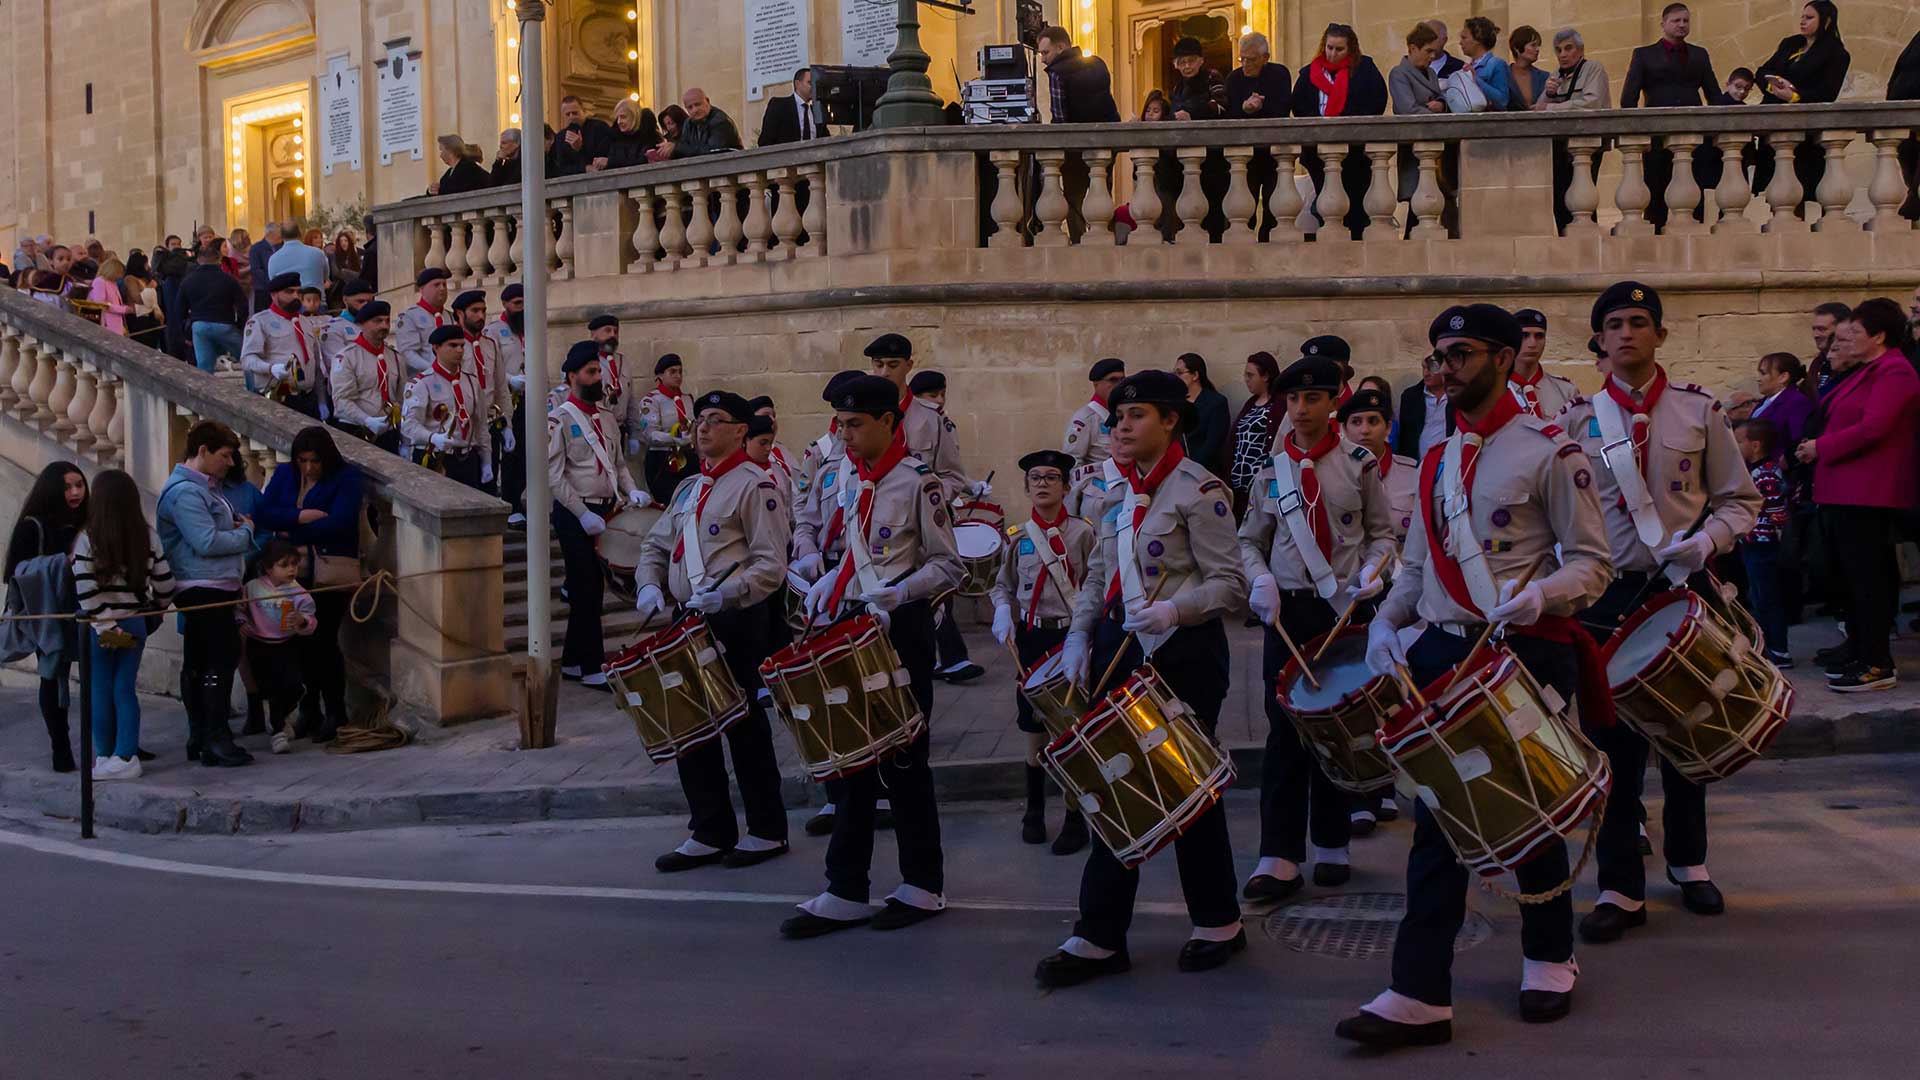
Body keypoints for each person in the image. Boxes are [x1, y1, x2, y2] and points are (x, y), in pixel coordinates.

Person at [1338, 304, 1613, 1048]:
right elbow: (1418, 566)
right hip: (1443, 648)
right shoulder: (1435, 458)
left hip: (1523, 648)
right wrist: (1388, 621)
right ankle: (1420, 991)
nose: (1445, 368)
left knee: (1527, 809)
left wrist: (1543, 595)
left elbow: (1594, 563)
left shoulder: (1549, 450)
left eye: (1460, 353)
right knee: (1440, 817)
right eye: (1438, 355)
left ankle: (1549, 954)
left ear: (1501, 356)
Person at [1556, 282, 1759, 948]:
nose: (1626, 333)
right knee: (1611, 744)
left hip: (1682, 582)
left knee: (1688, 729)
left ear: (1660, 335)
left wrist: (1710, 541)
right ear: (1599, 340)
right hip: (1605, 597)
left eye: (1639, 322)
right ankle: (1619, 886)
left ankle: (1689, 861)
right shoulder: (1574, 423)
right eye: (1614, 324)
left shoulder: (1699, 411)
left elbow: (1739, 500)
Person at [1032, 369, 1248, 987]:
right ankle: (1100, 934)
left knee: (1190, 788)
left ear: (1170, 421)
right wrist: (1079, 634)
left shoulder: (1198, 490)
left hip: (1183, 653)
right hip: (1120, 651)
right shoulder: (1114, 493)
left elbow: (1230, 584)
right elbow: (1099, 576)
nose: (1120, 427)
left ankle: (1218, 921)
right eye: (1117, 418)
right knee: (1112, 784)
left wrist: (1176, 610)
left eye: (1136, 416)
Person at [780, 374, 963, 939]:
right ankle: (846, 888)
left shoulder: (918, 483)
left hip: (900, 628)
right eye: (840, 423)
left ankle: (922, 884)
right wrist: (830, 577)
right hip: (853, 624)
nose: (845, 434)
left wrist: (899, 593)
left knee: (905, 761)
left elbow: (949, 565)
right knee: (850, 761)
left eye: (856, 423)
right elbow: (853, 549)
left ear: (888, 421)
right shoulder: (849, 478)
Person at [1237, 355, 1397, 902]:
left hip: (1343, 609)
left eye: (1312, 398)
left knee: (1338, 727)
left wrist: (1375, 573)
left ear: (1334, 402)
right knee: (1284, 731)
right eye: (1292, 399)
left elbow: (1382, 534)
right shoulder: (1271, 470)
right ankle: (1278, 855)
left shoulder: (1359, 464)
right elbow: (1248, 542)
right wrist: (1260, 580)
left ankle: (1332, 842)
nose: (1300, 409)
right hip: (1288, 612)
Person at [635, 389, 792, 872]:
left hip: (736, 617)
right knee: (689, 725)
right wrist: (648, 584)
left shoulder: (755, 486)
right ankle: (709, 829)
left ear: (741, 431)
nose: (702, 427)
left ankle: (766, 829)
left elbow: (771, 564)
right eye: (700, 419)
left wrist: (729, 593)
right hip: (689, 616)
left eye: (716, 419)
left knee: (743, 724)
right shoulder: (689, 487)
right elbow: (655, 545)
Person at [1797, 298, 1920, 691]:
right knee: (1850, 578)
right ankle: (1860, 647)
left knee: (1869, 580)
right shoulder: (1867, 370)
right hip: (1845, 490)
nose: (1846, 340)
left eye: (1855, 333)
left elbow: (1874, 427)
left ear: (1878, 336)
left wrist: (1821, 447)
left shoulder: (1895, 371)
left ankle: (1877, 662)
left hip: (1867, 492)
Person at [990, 449, 1095, 852]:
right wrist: (1003, 610)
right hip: (1033, 638)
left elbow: (1097, 583)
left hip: (1071, 637)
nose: (1043, 484)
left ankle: (1075, 817)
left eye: (1052, 477)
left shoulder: (1083, 534)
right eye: (1035, 478)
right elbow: (1003, 585)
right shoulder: (1018, 538)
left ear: (1066, 488)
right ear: (1026, 487)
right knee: (1033, 727)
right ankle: (1033, 810)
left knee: (1071, 727)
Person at [157, 420, 257, 768]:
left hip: (211, 584)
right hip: (202, 585)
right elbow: (206, 541)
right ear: (203, 451)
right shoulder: (187, 492)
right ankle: (214, 736)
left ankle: (203, 736)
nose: (230, 463)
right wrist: (246, 534)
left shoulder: (204, 488)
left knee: (202, 659)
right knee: (219, 658)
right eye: (224, 455)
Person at [257, 426, 365, 743]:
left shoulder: (346, 478)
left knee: (324, 641)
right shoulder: (285, 474)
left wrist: (291, 530)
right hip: (291, 574)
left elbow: (341, 521)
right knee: (299, 644)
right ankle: (309, 709)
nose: (308, 468)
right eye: (302, 460)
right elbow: (264, 512)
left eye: (314, 461)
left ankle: (335, 711)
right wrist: (301, 517)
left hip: (328, 571)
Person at [550, 342, 648, 690]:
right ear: (572, 376)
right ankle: (592, 665)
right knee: (586, 587)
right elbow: (554, 476)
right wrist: (581, 513)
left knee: (589, 587)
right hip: (574, 512)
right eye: (590, 372)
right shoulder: (559, 419)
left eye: (599, 371)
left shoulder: (606, 417)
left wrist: (631, 490)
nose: (598, 378)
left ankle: (573, 661)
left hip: (605, 509)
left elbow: (618, 465)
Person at [71, 469, 173, 781]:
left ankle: (105, 755)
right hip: (135, 622)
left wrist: (106, 623)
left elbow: (85, 589)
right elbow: (166, 584)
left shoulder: (87, 538)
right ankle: (126, 754)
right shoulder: (148, 536)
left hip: (98, 626)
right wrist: (155, 610)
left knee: (99, 689)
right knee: (124, 688)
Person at [5, 462, 89, 772]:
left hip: (86, 607)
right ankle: (60, 747)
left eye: (79, 485)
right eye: (67, 487)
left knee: (101, 676)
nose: (76, 492)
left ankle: (119, 745)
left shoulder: (87, 522)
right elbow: (16, 572)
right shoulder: (33, 525)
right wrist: (62, 562)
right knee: (53, 676)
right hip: (48, 612)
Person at [1620, 4, 1724, 230]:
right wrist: (1638, 133)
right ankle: (1655, 238)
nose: (1682, 25)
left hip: (1694, 135)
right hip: (1657, 136)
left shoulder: (1699, 54)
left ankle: (1693, 239)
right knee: (1656, 192)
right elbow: (1629, 98)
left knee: (1693, 193)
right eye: (1676, 20)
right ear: (1663, 24)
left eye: (1685, 20)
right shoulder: (1644, 54)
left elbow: (1714, 95)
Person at [1750, 1, 1851, 215]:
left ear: (1826, 21)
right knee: (1775, 188)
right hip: (1775, 123)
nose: (1803, 21)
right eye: (1802, 17)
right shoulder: (1791, 44)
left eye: (1809, 17)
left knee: (1800, 187)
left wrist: (1795, 96)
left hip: (1805, 130)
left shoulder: (1836, 53)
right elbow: (1762, 71)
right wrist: (1774, 85)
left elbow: (1827, 92)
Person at [1291, 24, 1389, 238]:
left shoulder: (1365, 70)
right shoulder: (1309, 73)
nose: (1333, 54)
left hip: (1355, 152)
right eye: (1329, 48)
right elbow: (1298, 106)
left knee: (1356, 206)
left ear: (1350, 49)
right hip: (1319, 153)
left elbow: (1377, 101)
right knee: (1326, 205)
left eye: (1339, 49)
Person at [864, 333, 985, 505]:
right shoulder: (861, 417)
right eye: (879, 365)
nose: (885, 373)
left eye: (893, 365)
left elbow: (953, 476)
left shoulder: (932, 418)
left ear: (908, 366)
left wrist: (928, 501)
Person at [235, 538, 317, 755]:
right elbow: (239, 609)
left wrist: (301, 621)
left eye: (294, 564)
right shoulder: (252, 588)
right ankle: (278, 732)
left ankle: (281, 716)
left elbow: (311, 620)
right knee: (271, 688)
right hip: (259, 645)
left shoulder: (300, 593)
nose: (291, 570)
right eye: (284, 565)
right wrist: (242, 622)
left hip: (286, 645)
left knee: (295, 686)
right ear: (268, 567)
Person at [403, 326, 491, 490]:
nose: (459, 350)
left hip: (467, 457)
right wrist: (432, 437)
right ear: (436, 348)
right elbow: (408, 425)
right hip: (436, 456)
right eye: (453, 345)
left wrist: (486, 459)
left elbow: (480, 424)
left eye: (462, 345)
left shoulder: (471, 382)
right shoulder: (422, 383)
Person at [1737, 418, 1792, 665]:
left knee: (1767, 597)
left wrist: (1779, 534)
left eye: (1740, 441)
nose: (1736, 447)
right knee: (1758, 595)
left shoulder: (1766, 474)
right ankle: (1765, 644)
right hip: (1753, 543)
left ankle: (1778, 649)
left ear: (1756, 445)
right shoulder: (1755, 471)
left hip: (1764, 544)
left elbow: (1777, 511)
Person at [241, 272, 323, 416]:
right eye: (289, 292)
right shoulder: (260, 321)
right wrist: (270, 368)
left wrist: (321, 400)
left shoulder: (306, 322)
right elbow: (247, 360)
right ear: (274, 295)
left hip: (307, 397)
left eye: (299, 292)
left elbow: (316, 362)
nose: (296, 296)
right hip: (278, 396)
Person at [329, 300, 403, 453]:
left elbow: (400, 398)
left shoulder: (396, 358)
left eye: (387, 320)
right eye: (377, 321)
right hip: (357, 430)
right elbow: (342, 401)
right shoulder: (347, 357)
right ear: (361, 324)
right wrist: (367, 420)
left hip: (389, 432)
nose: (384, 326)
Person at [488, 286, 531, 524]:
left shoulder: (532, 328)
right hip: (506, 398)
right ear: (505, 304)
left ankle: (520, 498)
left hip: (529, 398)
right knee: (509, 453)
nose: (522, 308)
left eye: (524, 303)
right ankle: (510, 501)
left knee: (527, 452)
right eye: (517, 303)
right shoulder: (494, 331)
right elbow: (491, 366)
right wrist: (510, 379)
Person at [178, 242, 248, 373]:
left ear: (198, 260)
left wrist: (186, 333)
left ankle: (205, 386)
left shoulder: (188, 280)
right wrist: (239, 325)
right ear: (219, 259)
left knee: (204, 367)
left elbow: (179, 311)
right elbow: (243, 305)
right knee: (247, 359)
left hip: (199, 325)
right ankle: (252, 385)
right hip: (225, 324)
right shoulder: (228, 279)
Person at [1228, 351, 1282, 516]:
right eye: (1246, 375)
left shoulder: (1279, 405)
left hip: (1262, 487)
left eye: (1250, 375)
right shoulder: (1250, 404)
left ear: (1265, 376)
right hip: (1239, 488)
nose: (1246, 379)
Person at [640, 352, 696, 503]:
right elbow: (649, 434)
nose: (678, 376)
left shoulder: (688, 399)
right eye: (672, 372)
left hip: (688, 457)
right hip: (663, 458)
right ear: (660, 375)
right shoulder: (652, 401)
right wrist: (674, 439)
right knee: (669, 501)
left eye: (680, 372)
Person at [1510, 309, 1581, 418]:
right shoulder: (1494, 391)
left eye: (1539, 336)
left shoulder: (1566, 391)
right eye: (1524, 336)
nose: (1532, 344)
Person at [1063, 358, 1124, 473]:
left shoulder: (1124, 414)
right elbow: (1072, 461)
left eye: (1122, 380)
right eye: (1113, 380)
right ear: (1096, 384)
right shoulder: (1085, 419)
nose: (1119, 385)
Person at [1175, 353, 1231, 477]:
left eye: (1180, 373)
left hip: (1205, 472)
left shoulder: (1216, 403)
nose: (1176, 378)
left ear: (1195, 375)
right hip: (1177, 470)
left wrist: (1190, 468)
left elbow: (1213, 443)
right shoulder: (1176, 403)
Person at [394, 267, 451, 374]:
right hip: (424, 377)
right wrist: (433, 370)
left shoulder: (449, 316)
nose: (442, 288)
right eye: (436, 285)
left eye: (444, 284)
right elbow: (408, 353)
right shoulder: (409, 316)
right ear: (422, 289)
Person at [1394, 359, 1454, 459]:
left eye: (1431, 368)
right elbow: (1405, 437)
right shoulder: (1411, 397)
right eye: (1424, 368)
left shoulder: (1456, 395)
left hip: (1449, 460)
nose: (1426, 373)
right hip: (1417, 463)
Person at [1390, 23, 1446, 115]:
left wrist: (1442, 104)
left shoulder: (1431, 72)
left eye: (1434, 52)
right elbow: (1407, 109)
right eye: (1428, 51)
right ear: (1413, 48)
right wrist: (1433, 114)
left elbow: (1439, 96)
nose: (1433, 56)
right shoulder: (1399, 74)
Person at [551, 95, 613, 178]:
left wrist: (581, 148)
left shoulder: (599, 128)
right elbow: (561, 168)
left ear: (583, 111)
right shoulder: (560, 137)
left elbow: (610, 154)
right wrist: (584, 168)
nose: (571, 117)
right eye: (567, 114)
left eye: (575, 113)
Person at [671, 88, 743, 159]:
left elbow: (713, 152)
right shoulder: (688, 124)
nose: (695, 110)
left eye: (698, 104)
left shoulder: (720, 121)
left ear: (707, 101)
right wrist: (670, 151)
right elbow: (684, 149)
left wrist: (677, 148)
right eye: (690, 107)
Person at [1459, 17, 1513, 110]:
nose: (1460, 43)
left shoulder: (1497, 64)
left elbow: (1502, 101)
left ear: (1477, 40)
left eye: (1464, 38)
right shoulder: (1468, 66)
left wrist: (1476, 80)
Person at [1167, 36, 1226, 121]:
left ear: (1201, 60)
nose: (1187, 66)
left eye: (1191, 61)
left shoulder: (1212, 77)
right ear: (1176, 65)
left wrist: (1192, 115)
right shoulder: (1177, 88)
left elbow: (1221, 106)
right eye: (1182, 62)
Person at [759, 66, 822, 145]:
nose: (814, 87)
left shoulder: (817, 111)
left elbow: (825, 139)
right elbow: (766, 140)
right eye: (810, 83)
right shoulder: (779, 106)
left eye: (816, 83)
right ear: (797, 84)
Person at [1804, 301, 1851, 399]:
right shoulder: (1817, 363)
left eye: (1822, 329)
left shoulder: (1851, 366)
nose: (1815, 335)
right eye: (1814, 329)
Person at [266, 222, 328, 290]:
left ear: (282, 236)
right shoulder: (318, 253)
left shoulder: (273, 259)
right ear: (300, 234)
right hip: (315, 295)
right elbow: (325, 277)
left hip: (287, 296)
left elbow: (273, 282)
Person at [603, 101, 660, 169]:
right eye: (617, 118)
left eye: (623, 117)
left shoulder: (648, 138)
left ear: (634, 117)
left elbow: (641, 164)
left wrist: (610, 162)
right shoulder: (615, 140)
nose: (619, 122)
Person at [1508, 26, 1547, 109]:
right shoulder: (1503, 75)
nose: (1537, 49)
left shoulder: (1544, 77)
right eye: (1533, 45)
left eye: (1538, 45)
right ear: (1517, 48)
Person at [247, 224, 282, 314]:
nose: (282, 235)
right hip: (263, 290)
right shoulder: (256, 248)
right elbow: (256, 269)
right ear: (271, 234)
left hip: (279, 289)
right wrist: (271, 282)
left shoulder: (282, 247)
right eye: (280, 232)